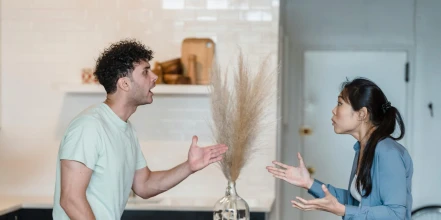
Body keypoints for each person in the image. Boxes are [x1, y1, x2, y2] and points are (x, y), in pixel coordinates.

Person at [52, 39, 228, 220]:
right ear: (124, 84)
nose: (154, 77)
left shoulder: (125, 129)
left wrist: (189, 166)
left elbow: (144, 185)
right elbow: (70, 199)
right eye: (145, 72)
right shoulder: (89, 127)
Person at [266, 78, 413, 219]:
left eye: (340, 103)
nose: (334, 110)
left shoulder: (388, 153)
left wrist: (343, 210)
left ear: (362, 114)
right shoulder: (363, 148)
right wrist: (309, 183)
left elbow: (395, 214)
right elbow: (355, 201)